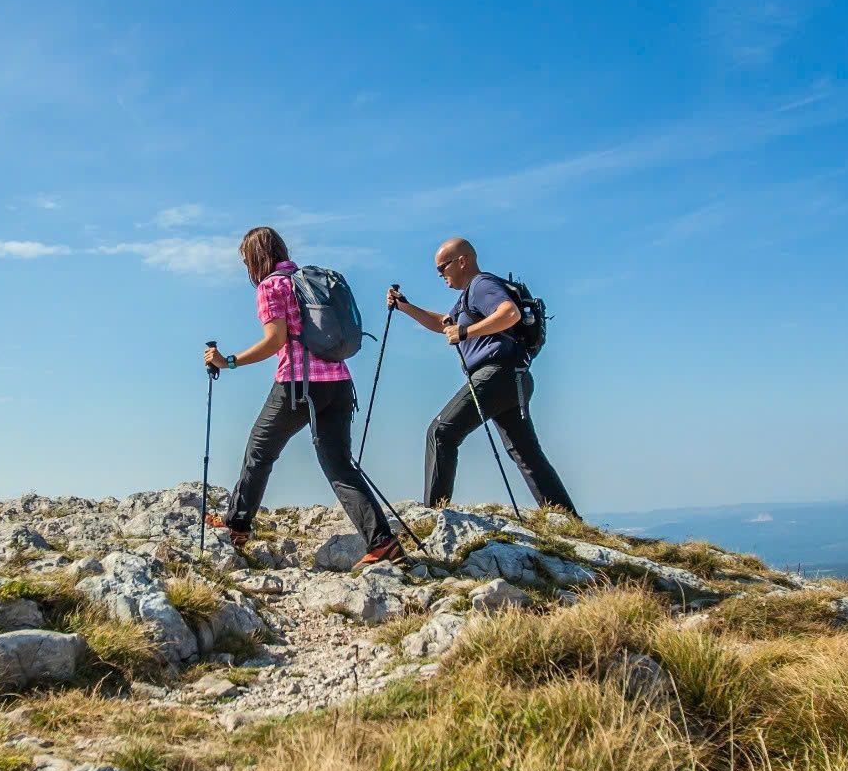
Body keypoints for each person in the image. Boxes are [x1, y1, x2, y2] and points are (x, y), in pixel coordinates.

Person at [204, 227, 405, 566]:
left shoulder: (272, 286)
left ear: (256, 259)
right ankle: (382, 543)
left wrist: (230, 361)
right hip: (339, 383)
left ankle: (237, 525)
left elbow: (274, 340)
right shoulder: (307, 281)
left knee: (259, 450)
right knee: (340, 464)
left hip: (298, 385)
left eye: (245, 261)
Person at [386, 238, 579, 518]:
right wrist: (406, 307)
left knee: (441, 432)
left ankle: (435, 513)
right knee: (525, 453)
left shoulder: (481, 285)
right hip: (515, 378)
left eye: (442, 267)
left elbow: (509, 314)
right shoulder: (468, 297)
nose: (440, 274)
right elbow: (444, 324)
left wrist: (466, 333)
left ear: (462, 261)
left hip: (496, 375)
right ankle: (568, 518)